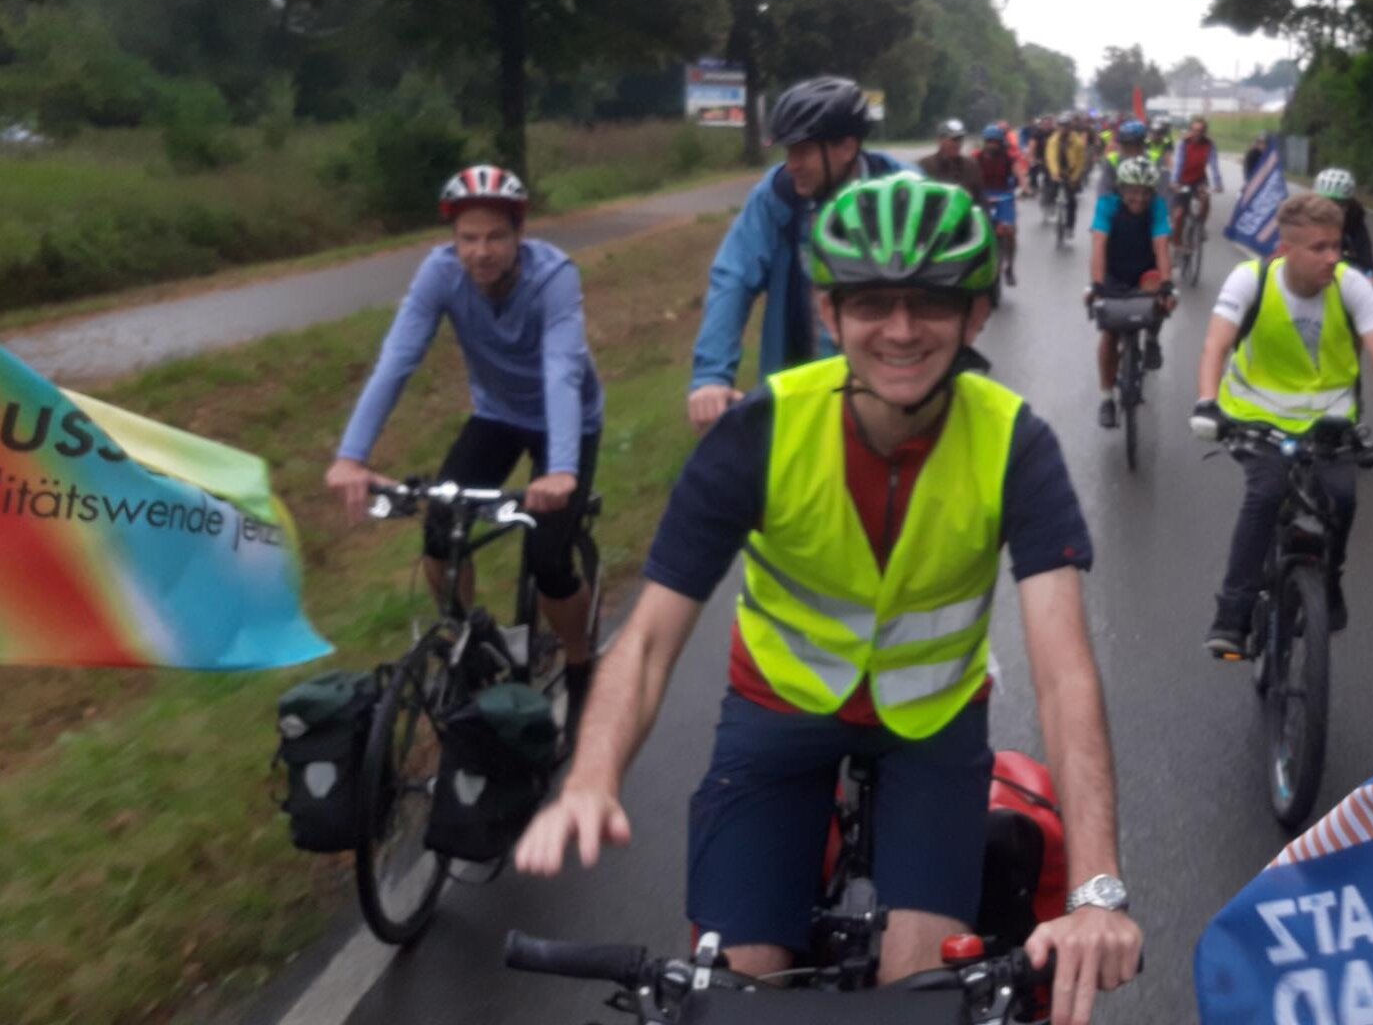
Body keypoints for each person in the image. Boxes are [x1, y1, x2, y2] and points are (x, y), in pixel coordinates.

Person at [515, 175, 1144, 1022]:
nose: (901, 329)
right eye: (872, 302)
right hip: (778, 714)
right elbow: (652, 636)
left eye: (931, 302)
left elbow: (1065, 675)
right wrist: (594, 776)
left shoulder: (1014, 443)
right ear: (828, 312)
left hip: (932, 728)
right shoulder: (762, 430)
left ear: (975, 315)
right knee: (736, 993)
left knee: (923, 998)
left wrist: (1097, 891)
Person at [326, 164, 602, 731]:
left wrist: (561, 470)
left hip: (566, 422)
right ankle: (469, 639)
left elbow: (561, 371)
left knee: (548, 557)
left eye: (496, 236)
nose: (481, 252)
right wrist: (352, 455)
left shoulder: (554, 277)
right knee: (439, 525)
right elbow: (397, 360)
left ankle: (580, 666)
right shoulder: (440, 274)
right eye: (468, 238)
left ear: (520, 234)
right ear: (452, 240)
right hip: (497, 415)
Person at [1189, 193, 1373, 654]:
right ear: (1285, 250)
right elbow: (1215, 345)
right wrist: (1206, 403)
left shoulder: (1351, 285)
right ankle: (1232, 614)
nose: (1332, 257)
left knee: (1341, 498)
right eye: (1319, 248)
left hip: (1328, 420)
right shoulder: (1251, 279)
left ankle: (1329, 581)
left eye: (1336, 245)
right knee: (1265, 493)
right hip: (1256, 417)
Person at [688, 76, 907, 433]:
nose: (791, 165)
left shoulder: (904, 192)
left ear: (847, 148)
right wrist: (711, 377)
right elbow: (733, 276)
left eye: (803, 151)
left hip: (892, 390)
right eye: (788, 152)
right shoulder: (778, 196)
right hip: (803, 389)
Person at [1087, 156, 1177, 429]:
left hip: (1145, 271)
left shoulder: (1157, 208)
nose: (1139, 199)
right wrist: (1097, 285)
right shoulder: (1107, 206)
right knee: (1109, 334)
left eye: (1145, 193)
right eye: (1132, 192)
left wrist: (1167, 283)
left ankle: (1152, 338)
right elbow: (1099, 244)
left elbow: (1161, 246)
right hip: (1114, 272)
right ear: (1121, 189)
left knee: (1163, 298)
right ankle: (1106, 398)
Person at [1313, 167, 1373, 289]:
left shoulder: (1355, 223)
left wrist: (1372, 279)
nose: (1331, 209)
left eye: (1339, 203)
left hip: (1344, 280)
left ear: (1348, 205)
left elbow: (1367, 261)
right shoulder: (1303, 218)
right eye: (1325, 202)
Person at [974, 123, 1022, 287]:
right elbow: (967, 172)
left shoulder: (1008, 158)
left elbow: (1019, 171)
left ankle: (1010, 267)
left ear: (1001, 143)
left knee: (1010, 232)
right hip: (982, 197)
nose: (992, 145)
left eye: (995, 142)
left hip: (1004, 197)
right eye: (989, 141)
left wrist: (1025, 186)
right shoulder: (976, 157)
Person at [1169, 117, 1224, 247]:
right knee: (1179, 214)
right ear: (1190, 130)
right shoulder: (1183, 143)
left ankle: (1200, 226)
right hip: (1183, 180)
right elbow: (1178, 164)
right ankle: (1177, 243)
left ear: (1205, 132)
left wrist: (1218, 184)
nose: (1197, 134)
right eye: (1194, 130)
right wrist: (1174, 182)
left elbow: (1214, 165)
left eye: (1200, 131)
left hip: (1199, 179)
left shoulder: (1209, 145)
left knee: (1205, 199)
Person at [1047, 114, 1094, 238]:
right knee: (1050, 188)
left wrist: (1074, 177)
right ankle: (1050, 206)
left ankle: (1070, 226)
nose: (1063, 129)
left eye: (1065, 126)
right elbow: (1051, 158)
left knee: (1072, 200)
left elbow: (1080, 161)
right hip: (1058, 170)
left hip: (1072, 171)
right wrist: (1054, 173)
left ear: (1070, 128)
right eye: (1061, 126)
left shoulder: (1077, 142)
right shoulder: (1053, 141)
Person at [919, 118, 985, 198]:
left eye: (960, 139)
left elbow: (979, 197)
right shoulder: (925, 165)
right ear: (940, 140)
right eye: (954, 140)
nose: (957, 144)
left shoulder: (971, 166)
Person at [1093, 120, 1149, 199]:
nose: (1132, 149)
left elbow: (1160, 193)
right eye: (1127, 144)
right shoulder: (1112, 161)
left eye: (1137, 144)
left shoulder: (1151, 160)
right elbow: (1104, 192)